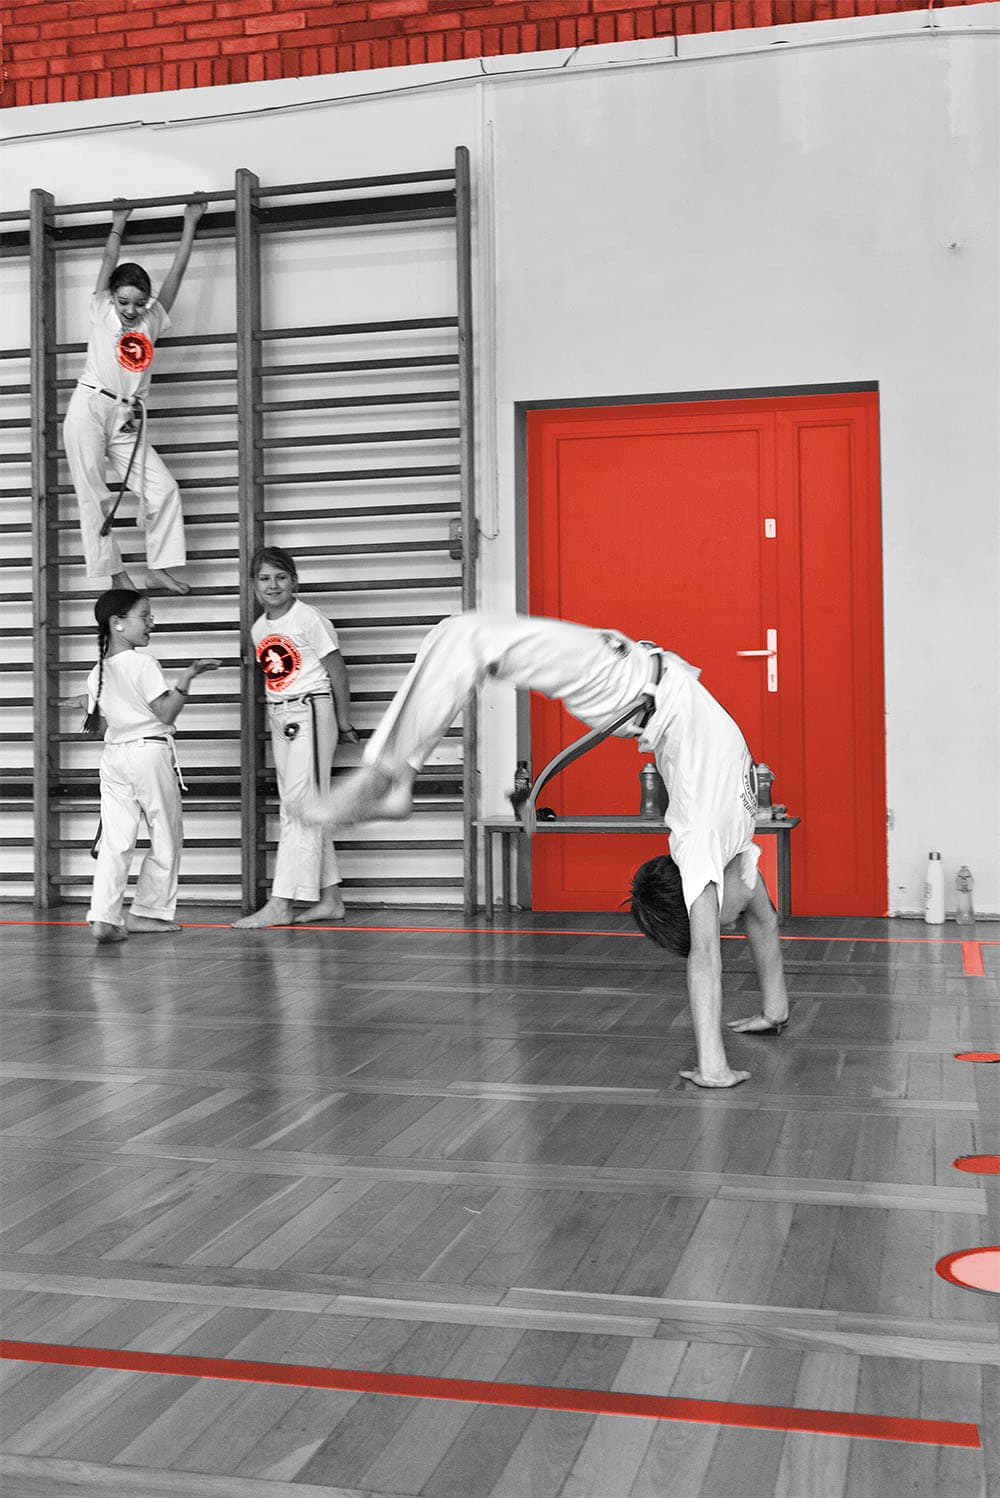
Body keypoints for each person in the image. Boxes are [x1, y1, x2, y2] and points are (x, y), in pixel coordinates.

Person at [301, 611, 790, 1087]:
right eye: (725, 924)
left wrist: (713, 1065)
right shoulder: (736, 852)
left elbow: (704, 955)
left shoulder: (702, 842)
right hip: (635, 682)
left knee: (467, 636)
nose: (734, 921)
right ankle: (397, 776)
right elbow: (764, 923)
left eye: (722, 922)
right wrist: (774, 1011)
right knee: (453, 633)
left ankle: (389, 777)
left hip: (625, 682)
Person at [62, 196, 207, 596]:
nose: (131, 309)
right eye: (124, 301)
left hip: (127, 418)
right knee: (94, 494)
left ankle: (158, 567)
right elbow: (108, 260)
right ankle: (115, 574)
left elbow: (177, 273)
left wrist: (190, 223)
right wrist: (118, 223)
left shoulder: (152, 320)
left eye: (139, 303)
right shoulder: (101, 309)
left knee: (164, 488)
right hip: (90, 406)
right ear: (111, 296)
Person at [62, 589, 220, 944]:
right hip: (148, 754)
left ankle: (103, 916)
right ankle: (147, 912)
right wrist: (187, 678)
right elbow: (165, 713)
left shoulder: (97, 672)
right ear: (117, 623)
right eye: (144, 616)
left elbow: (103, 727)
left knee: (115, 841)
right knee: (165, 835)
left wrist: (89, 705)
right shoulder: (143, 664)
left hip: (114, 757)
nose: (151, 623)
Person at [232, 546, 359, 929]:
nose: (273, 586)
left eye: (281, 577)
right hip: (281, 714)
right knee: (299, 805)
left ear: (294, 582)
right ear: (254, 585)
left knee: (300, 807)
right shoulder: (259, 629)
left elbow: (337, 670)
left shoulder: (309, 618)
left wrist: (343, 720)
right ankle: (331, 898)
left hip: (311, 710)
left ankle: (282, 902)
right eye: (264, 579)